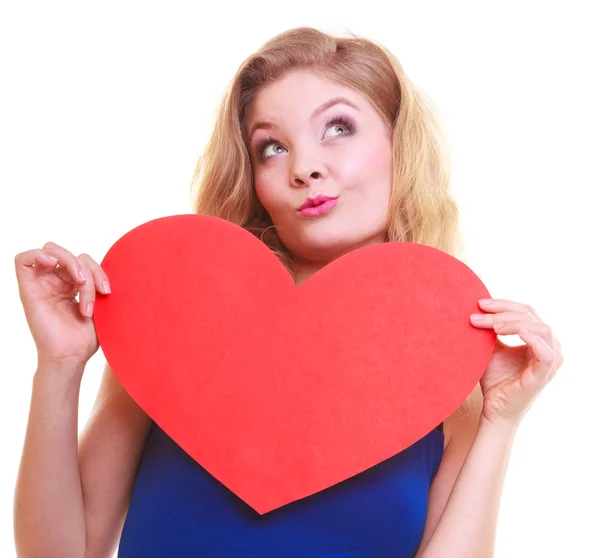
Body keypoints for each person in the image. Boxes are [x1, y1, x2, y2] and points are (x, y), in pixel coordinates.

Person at [13, 26, 563, 558]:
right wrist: (59, 364)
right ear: (252, 181)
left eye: (338, 128)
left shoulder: (448, 358)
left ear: (401, 145)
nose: (305, 168)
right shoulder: (176, 317)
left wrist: (500, 421)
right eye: (272, 147)